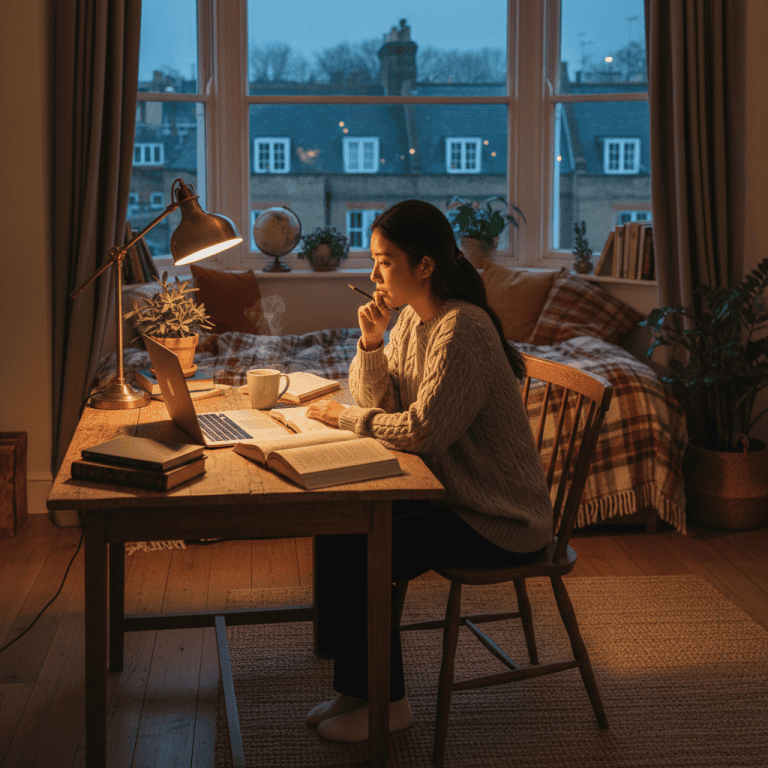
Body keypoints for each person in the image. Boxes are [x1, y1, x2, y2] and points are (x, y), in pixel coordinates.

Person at [304, 199, 554, 743]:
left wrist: (346, 417)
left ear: (425, 265)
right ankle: (358, 687)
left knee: (363, 541)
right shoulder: (416, 322)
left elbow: (421, 432)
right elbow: (384, 401)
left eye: (385, 261)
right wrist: (372, 342)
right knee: (340, 517)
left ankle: (389, 703)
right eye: (373, 260)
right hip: (455, 497)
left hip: (499, 518)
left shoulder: (460, 328)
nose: (373, 275)